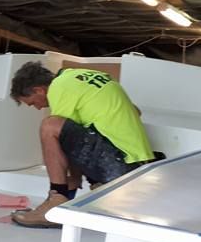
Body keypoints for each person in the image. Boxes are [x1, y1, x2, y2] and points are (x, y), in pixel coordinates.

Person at [9, 62, 155, 228]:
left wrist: (71, 181)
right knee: (74, 128)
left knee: (50, 126)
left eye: (33, 102)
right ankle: (96, 190)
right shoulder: (83, 77)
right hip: (139, 168)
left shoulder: (60, 86)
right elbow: (135, 111)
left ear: (39, 90)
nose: (37, 107)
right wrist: (75, 177)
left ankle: (56, 200)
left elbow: (60, 137)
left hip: (120, 168)